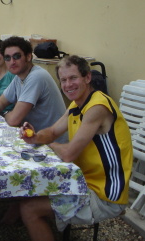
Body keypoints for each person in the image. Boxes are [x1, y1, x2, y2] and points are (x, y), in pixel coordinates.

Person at [17, 55, 132, 241]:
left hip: (106, 195)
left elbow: (69, 154)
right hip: (84, 181)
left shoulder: (97, 106)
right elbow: (53, 131)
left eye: (73, 78)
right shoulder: (76, 104)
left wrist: (45, 142)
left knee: (29, 208)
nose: (68, 84)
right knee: (28, 186)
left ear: (87, 78)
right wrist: (36, 136)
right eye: (63, 80)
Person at [0, 36, 67, 142]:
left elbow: (14, 120)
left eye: (17, 56)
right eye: (7, 58)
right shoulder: (18, 77)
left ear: (28, 57)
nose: (12, 62)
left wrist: (5, 113)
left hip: (51, 145)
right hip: (34, 138)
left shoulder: (36, 76)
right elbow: (0, 102)